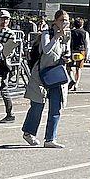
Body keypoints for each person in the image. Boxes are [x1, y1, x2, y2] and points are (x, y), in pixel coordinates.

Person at [22, 10, 71, 148]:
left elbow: (67, 52)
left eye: (67, 20)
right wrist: (56, 36)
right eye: (62, 20)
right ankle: (29, 133)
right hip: (41, 75)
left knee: (56, 107)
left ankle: (50, 139)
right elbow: (47, 49)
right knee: (37, 105)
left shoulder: (66, 36)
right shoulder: (47, 34)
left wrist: (67, 57)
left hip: (56, 75)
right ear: (55, 21)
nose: (65, 23)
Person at [68, 18, 89, 91]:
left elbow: (69, 42)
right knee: (78, 68)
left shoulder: (71, 32)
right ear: (82, 24)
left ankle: (72, 78)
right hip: (81, 51)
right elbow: (87, 44)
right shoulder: (85, 33)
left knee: (69, 67)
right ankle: (76, 84)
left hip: (72, 51)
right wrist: (87, 54)